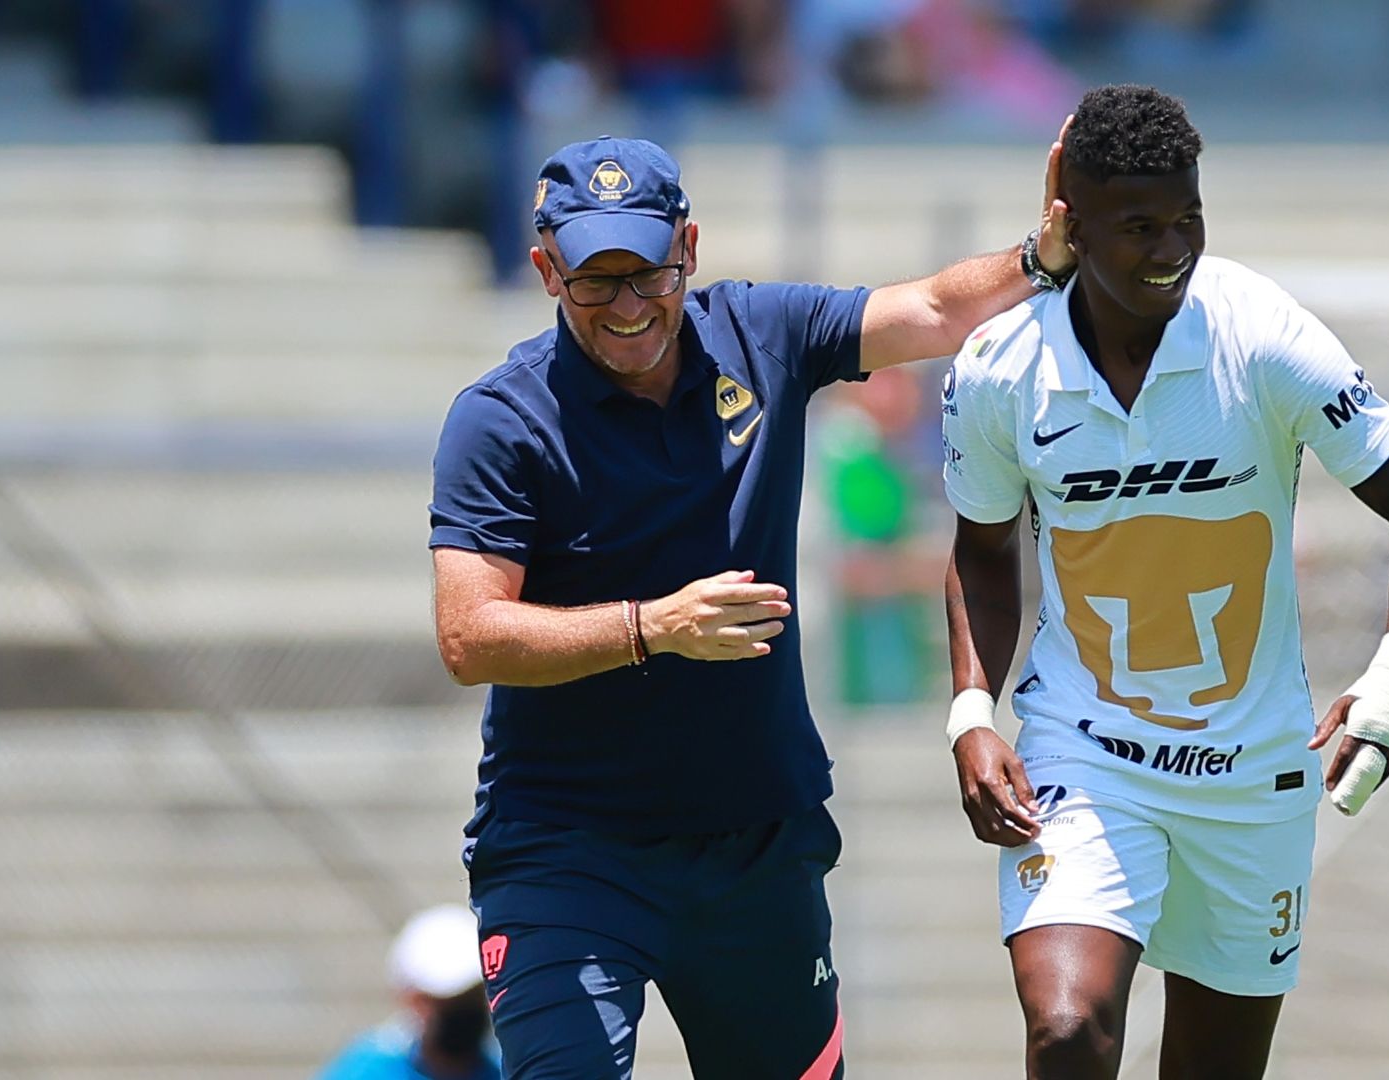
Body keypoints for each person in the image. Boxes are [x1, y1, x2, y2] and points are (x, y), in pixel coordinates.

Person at [428, 132, 1072, 1078]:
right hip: (566, 852)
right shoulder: (500, 419)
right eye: (593, 281)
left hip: (754, 847)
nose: (627, 306)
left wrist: (1042, 254)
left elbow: (933, 309)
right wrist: (656, 627)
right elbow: (469, 634)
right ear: (544, 269)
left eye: (647, 272)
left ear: (687, 245)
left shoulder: (760, 334)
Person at [940, 84, 1389, 1078]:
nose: (1171, 245)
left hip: (1254, 774)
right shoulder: (1001, 370)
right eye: (1138, 225)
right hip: (1083, 751)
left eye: (1187, 216)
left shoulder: (1261, 334)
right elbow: (981, 548)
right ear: (1071, 226)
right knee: (1066, 1031)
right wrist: (972, 712)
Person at [320, 904, 501, 1080]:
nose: (462, 1008)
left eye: (471, 997)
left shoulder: (506, 1068)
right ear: (412, 999)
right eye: (447, 1000)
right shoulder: (365, 1072)